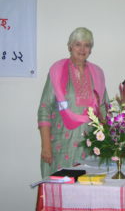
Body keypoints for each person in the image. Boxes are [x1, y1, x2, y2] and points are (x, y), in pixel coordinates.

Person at [37, 27, 108, 178]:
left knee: (87, 193)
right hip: (61, 146)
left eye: (87, 45)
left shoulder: (97, 74)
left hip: (91, 146)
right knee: (61, 192)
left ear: (91, 49)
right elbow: (44, 109)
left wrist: (109, 144)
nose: (82, 49)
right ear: (69, 46)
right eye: (78, 44)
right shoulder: (57, 70)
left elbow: (103, 109)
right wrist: (46, 145)